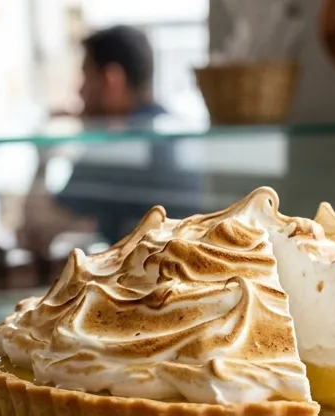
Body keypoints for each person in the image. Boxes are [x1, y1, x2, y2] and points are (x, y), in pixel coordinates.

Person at [21, 25, 201, 257]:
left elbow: (36, 229)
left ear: (111, 80)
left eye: (86, 76)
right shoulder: (178, 137)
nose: (80, 91)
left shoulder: (117, 150)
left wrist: (43, 156)